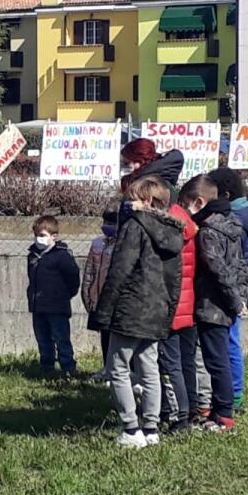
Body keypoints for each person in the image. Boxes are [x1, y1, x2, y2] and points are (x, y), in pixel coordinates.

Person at [92, 176, 184, 449]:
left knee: (118, 367)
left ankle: (131, 428)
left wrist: (105, 308)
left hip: (131, 307)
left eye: (132, 197)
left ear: (145, 201)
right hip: (158, 307)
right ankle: (152, 427)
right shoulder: (173, 231)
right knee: (149, 368)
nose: (127, 202)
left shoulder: (134, 225)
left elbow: (121, 268)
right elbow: (174, 277)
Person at [183, 174, 247, 433]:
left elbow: (218, 269)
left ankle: (223, 415)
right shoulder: (231, 224)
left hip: (212, 305)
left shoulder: (208, 231)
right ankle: (220, 410)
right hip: (227, 302)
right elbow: (240, 266)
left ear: (199, 201)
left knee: (216, 360)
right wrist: (243, 298)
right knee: (219, 358)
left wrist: (234, 301)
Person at [207, 167, 248, 413]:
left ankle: (234, 394)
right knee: (231, 341)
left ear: (224, 194)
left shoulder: (231, 221)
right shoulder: (243, 217)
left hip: (229, 290)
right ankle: (234, 393)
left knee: (229, 342)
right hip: (237, 287)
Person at [159, 192, 199, 434]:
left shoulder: (168, 230)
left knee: (169, 364)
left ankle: (177, 415)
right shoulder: (187, 224)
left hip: (171, 307)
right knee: (186, 361)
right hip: (187, 304)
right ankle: (190, 407)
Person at [26, 215, 80, 378]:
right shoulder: (33, 255)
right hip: (38, 305)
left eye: (42, 235)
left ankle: (68, 368)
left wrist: (64, 295)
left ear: (53, 236)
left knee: (61, 338)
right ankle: (47, 367)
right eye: (36, 235)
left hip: (57, 306)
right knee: (43, 339)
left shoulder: (62, 256)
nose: (38, 239)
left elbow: (73, 277)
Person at [82, 200, 121, 379]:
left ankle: (118, 371)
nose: (107, 226)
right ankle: (106, 368)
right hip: (98, 298)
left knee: (117, 338)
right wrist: (87, 294)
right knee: (104, 336)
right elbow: (89, 270)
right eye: (105, 222)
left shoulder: (123, 245)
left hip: (115, 301)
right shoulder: (98, 243)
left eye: (112, 223)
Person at [118, 138, 184, 195]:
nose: (126, 167)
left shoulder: (151, 185)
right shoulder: (159, 176)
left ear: (140, 161)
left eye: (126, 163)